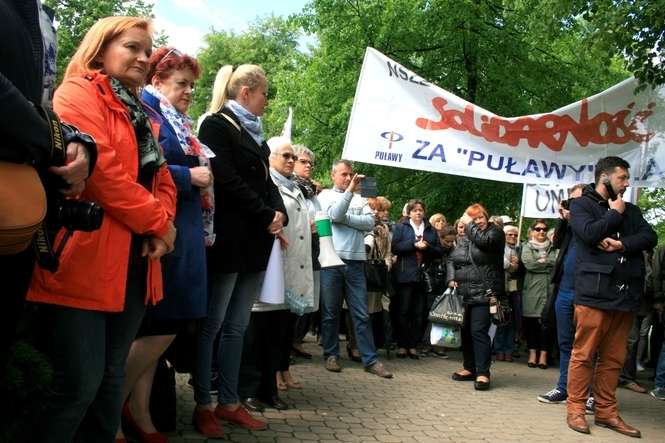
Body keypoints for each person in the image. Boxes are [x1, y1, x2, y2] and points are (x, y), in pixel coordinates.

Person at [26, 17, 178, 443]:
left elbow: (163, 180)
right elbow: (102, 176)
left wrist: (161, 227)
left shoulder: (141, 112)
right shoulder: (77, 93)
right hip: (84, 260)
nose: (144, 58)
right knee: (77, 385)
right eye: (132, 47)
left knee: (111, 381)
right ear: (101, 48)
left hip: (135, 262)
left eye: (147, 51)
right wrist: (160, 223)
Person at [115, 46, 211, 443]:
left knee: (161, 328)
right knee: (160, 326)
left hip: (183, 232)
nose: (189, 92)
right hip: (162, 232)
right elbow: (137, 166)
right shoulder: (148, 112)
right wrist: (191, 178)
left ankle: (140, 414)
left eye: (191, 85)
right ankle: (110, 411)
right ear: (157, 80)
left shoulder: (177, 120)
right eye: (182, 84)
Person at [0, 0, 94, 374]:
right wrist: (52, 140)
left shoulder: (39, 15)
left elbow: (41, 102)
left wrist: (79, 144)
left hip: (17, 216)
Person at [193, 64, 287, 437]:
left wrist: (279, 212)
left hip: (255, 241)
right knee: (213, 325)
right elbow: (227, 178)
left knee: (237, 326)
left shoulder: (254, 133)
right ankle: (203, 403)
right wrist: (266, 213)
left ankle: (229, 403)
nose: (267, 101)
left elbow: (266, 180)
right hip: (230, 239)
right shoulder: (216, 125)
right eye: (265, 93)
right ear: (246, 91)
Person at [566, 156, 657, 437]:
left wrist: (620, 244)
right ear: (604, 177)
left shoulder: (632, 210)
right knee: (584, 355)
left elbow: (649, 237)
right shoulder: (581, 205)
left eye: (627, 178)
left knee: (614, 359)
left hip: (625, 295)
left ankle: (606, 412)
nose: (627, 183)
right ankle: (576, 410)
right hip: (594, 294)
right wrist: (613, 215)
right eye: (622, 178)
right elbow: (588, 233)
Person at [317, 160, 392, 378]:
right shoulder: (325, 196)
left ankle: (370, 360)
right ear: (333, 175)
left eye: (350, 175)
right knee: (330, 312)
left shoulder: (362, 199)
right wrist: (349, 196)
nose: (349, 178)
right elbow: (334, 215)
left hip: (357, 262)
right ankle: (331, 354)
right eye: (344, 174)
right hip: (331, 260)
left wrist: (344, 219)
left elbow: (369, 223)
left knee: (361, 313)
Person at [538, 184, 586, 404]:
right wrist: (562, 218)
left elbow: (588, 234)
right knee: (565, 342)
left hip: (586, 292)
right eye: (571, 201)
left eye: (577, 201)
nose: (573, 205)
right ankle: (563, 388)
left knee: (587, 346)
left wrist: (573, 217)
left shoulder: (594, 222)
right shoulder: (568, 223)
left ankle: (589, 394)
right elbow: (556, 242)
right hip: (564, 290)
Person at [448, 203, 505, 390]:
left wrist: (469, 225)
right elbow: (452, 259)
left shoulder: (494, 233)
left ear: (486, 217)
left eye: (480, 217)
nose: (478, 221)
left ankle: (483, 373)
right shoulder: (464, 238)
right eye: (474, 218)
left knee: (478, 332)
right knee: (465, 332)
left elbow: (484, 242)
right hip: (464, 293)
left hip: (484, 292)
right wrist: (451, 278)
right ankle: (469, 368)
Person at [391, 199, 442, 358]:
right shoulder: (401, 227)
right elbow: (395, 248)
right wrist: (413, 243)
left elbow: (439, 251)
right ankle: (402, 344)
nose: (418, 213)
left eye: (420, 210)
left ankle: (413, 345)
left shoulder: (430, 229)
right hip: (405, 275)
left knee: (419, 313)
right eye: (415, 210)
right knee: (403, 310)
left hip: (423, 276)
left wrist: (427, 246)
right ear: (409, 213)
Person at [291, 143, 322, 359]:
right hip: (295, 248)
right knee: (292, 298)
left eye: (311, 163)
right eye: (303, 161)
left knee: (308, 297)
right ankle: (286, 345)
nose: (308, 166)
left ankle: (296, 340)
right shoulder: (289, 187)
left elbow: (320, 217)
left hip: (313, 247)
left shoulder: (313, 192)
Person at [521, 219, 557, 369]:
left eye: (544, 229)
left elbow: (556, 263)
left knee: (547, 325)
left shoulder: (553, 247)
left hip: (549, 290)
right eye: (538, 229)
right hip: (532, 290)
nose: (541, 231)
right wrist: (547, 263)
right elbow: (529, 264)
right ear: (532, 232)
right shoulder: (527, 247)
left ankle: (543, 356)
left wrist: (543, 262)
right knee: (532, 324)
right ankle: (532, 354)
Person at [494, 224, 521, 362]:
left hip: (513, 289)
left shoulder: (518, 249)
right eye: (510, 234)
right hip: (500, 288)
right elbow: (501, 263)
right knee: (501, 319)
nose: (513, 237)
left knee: (512, 321)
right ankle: (499, 349)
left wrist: (514, 265)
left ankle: (508, 350)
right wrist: (511, 265)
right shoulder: (499, 247)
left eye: (515, 235)